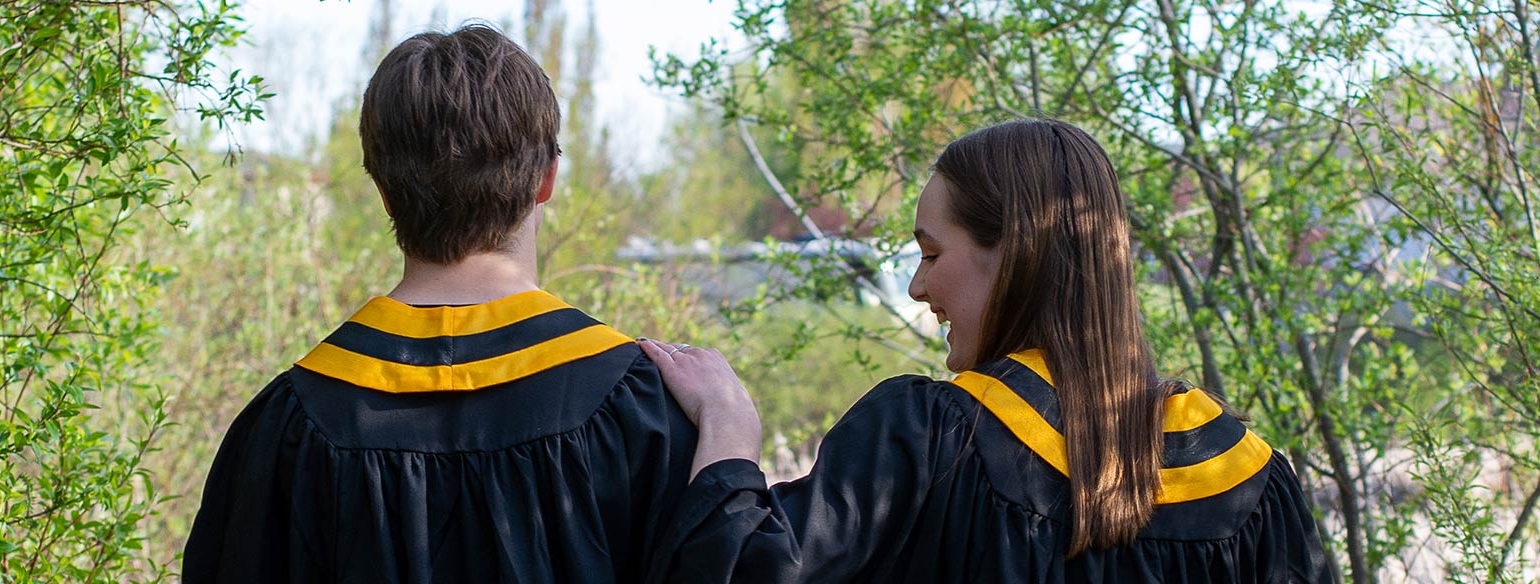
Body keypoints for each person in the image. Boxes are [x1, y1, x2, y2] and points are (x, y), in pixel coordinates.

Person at [639, 119, 1332, 583]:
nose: (916, 286)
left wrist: (730, 434)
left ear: (1017, 254)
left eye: (933, 252)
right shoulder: (1254, 487)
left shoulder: (929, 441)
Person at [183, 25, 701, 583]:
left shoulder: (286, 427)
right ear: (546, 180)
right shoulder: (643, 408)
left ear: (383, 191)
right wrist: (731, 452)